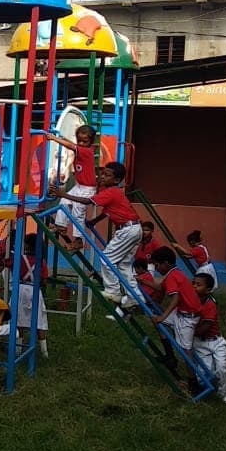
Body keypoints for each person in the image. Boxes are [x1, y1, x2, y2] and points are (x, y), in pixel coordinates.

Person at [50, 162, 142, 307]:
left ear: (117, 180)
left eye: (107, 175)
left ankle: (113, 291)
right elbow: (107, 211)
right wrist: (94, 221)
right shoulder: (113, 192)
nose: (102, 176)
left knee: (107, 259)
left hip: (127, 230)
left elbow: (87, 201)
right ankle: (135, 297)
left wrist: (64, 195)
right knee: (124, 265)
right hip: (134, 228)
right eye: (102, 173)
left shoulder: (111, 192)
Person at [46, 124, 98, 249]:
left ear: (90, 142)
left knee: (78, 212)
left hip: (87, 189)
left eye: (85, 141)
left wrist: (54, 138)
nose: (81, 143)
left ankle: (78, 240)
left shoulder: (87, 151)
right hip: (79, 186)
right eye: (79, 141)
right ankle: (61, 225)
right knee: (64, 201)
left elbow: (72, 146)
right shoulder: (83, 148)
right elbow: (73, 145)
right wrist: (63, 138)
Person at [149, 246, 201, 371]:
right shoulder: (173, 272)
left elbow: (175, 299)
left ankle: (193, 379)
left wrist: (162, 317)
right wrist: (141, 280)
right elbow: (160, 288)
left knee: (186, 351)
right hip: (182, 311)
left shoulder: (172, 277)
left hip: (188, 316)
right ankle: (170, 356)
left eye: (157, 266)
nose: (156, 269)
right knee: (157, 322)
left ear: (166, 263)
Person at [192, 272, 226, 404]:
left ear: (208, 290)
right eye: (193, 283)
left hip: (216, 342)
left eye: (198, 285)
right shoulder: (191, 303)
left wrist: (188, 333)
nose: (194, 286)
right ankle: (204, 390)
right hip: (200, 344)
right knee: (204, 372)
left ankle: (223, 393)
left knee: (222, 368)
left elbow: (206, 327)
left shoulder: (210, 305)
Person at [15, 233, 51, 358]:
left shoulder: (20, 259)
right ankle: (44, 352)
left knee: (18, 321)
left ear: (27, 245)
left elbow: (8, 265)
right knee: (40, 322)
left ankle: (17, 351)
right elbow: (44, 280)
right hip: (35, 291)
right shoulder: (42, 262)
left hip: (20, 291)